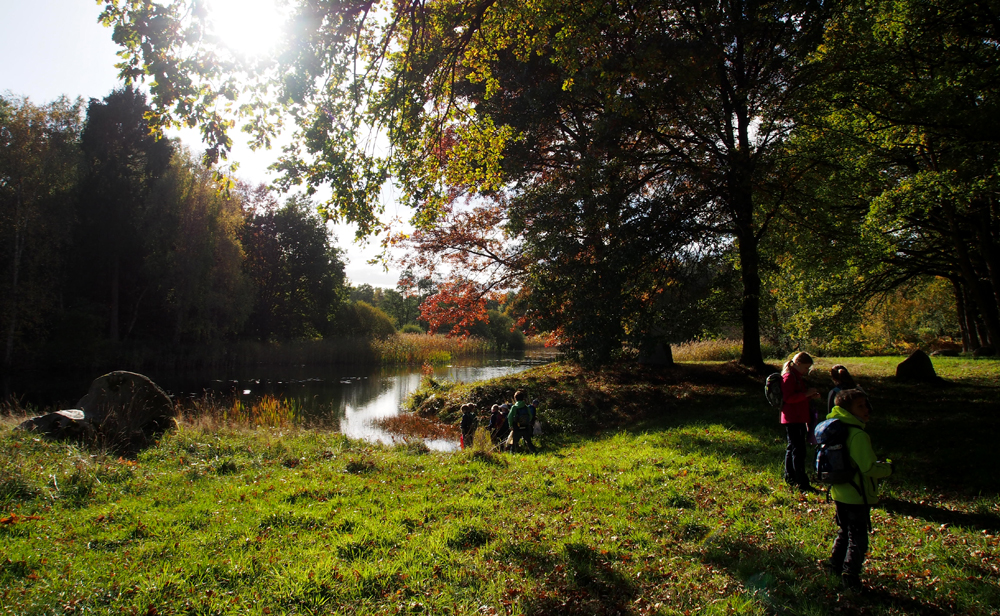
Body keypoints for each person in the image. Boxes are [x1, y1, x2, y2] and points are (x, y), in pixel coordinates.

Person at [823, 388, 893, 591]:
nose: (866, 410)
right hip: (857, 494)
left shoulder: (836, 428)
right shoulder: (857, 435)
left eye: (866, 405)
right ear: (847, 410)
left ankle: (834, 567)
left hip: (839, 491)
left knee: (844, 532)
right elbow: (869, 468)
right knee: (858, 538)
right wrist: (888, 468)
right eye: (860, 406)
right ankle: (850, 575)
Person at [781, 352, 821, 492]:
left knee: (793, 447)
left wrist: (809, 396)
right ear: (797, 364)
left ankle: (790, 477)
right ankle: (801, 481)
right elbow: (789, 398)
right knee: (798, 450)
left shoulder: (797, 377)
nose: (806, 371)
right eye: (805, 367)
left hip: (798, 417)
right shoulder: (789, 377)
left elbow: (799, 398)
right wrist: (807, 394)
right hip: (793, 418)